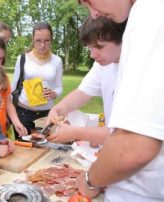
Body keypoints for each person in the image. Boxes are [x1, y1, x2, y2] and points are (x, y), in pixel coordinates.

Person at [75, 1, 164, 201]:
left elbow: (133, 148)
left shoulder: (148, 15)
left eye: (89, 1)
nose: (94, 14)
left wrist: (91, 179)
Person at [45, 16, 126, 145]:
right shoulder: (102, 65)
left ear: (123, 39)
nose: (92, 55)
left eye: (99, 47)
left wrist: (76, 132)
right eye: (90, 48)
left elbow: (125, 134)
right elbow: (82, 93)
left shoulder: (138, 70)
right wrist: (57, 110)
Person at [11, 22, 63, 138]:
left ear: (51, 40)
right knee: (24, 152)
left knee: (45, 150)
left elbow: (59, 87)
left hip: (46, 115)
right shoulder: (22, 59)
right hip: (24, 114)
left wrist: (54, 93)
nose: (43, 45)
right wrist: (12, 117)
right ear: (33, 39)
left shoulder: (57, 61)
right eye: (38, 40)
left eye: (47, 40)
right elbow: (13, 88)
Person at [0, 35, 27, 138]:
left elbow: (8, 103)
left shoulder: (4, 78)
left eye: (1, 58)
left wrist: (16, 122)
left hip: (1, 134)